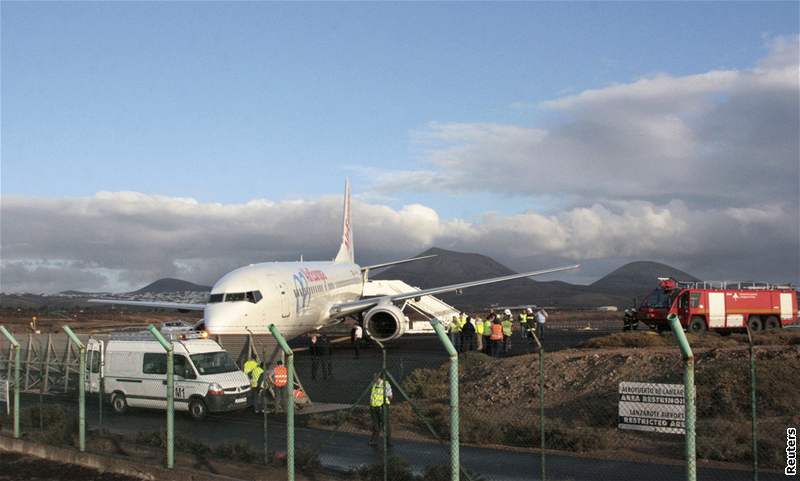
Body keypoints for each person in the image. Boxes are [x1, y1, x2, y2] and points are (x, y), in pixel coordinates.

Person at [369, 372, 393, 446]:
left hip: (383, 407)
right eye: (374, 377)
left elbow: (390, 396)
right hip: (373, 407)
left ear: (380, 377)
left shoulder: (386, 384)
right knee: (375, 425)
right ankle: (374, 440)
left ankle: (388, 442)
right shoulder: (374, 384)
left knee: (385, 424)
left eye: (376, 377)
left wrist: (385, 403)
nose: (374, 378)